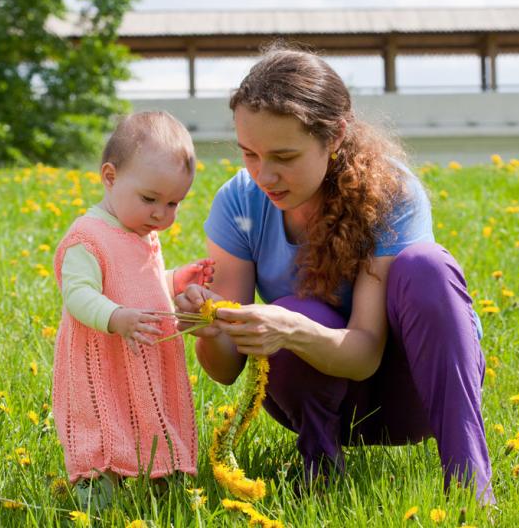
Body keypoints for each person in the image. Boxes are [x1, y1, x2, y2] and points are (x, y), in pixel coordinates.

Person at [175, 48, 494, 503]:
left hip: (415, 393)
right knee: (293, 311)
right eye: (249, 153)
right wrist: (208, 326)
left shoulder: (392, 192)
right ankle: (319, 478)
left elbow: (365, 352)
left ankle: (471, 489)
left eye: (285, 156)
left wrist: (292, 328)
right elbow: (226, 371)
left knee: (427, 267)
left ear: (336, 136)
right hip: (322, 398)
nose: (265, 174)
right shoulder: (240, 204)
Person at [52, 111, 214, 509]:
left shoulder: (145, 234)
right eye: (150, 199)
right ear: (110, 177)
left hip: (143, 355)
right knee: (104, 422)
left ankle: (160, 478)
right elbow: (78, 294)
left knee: (149, 417)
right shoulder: (87, 237)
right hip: (103, 359)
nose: (162, 214)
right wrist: (116, 317)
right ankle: (97, 489)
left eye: (174, 202)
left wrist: (178, 279)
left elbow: (142, 283)